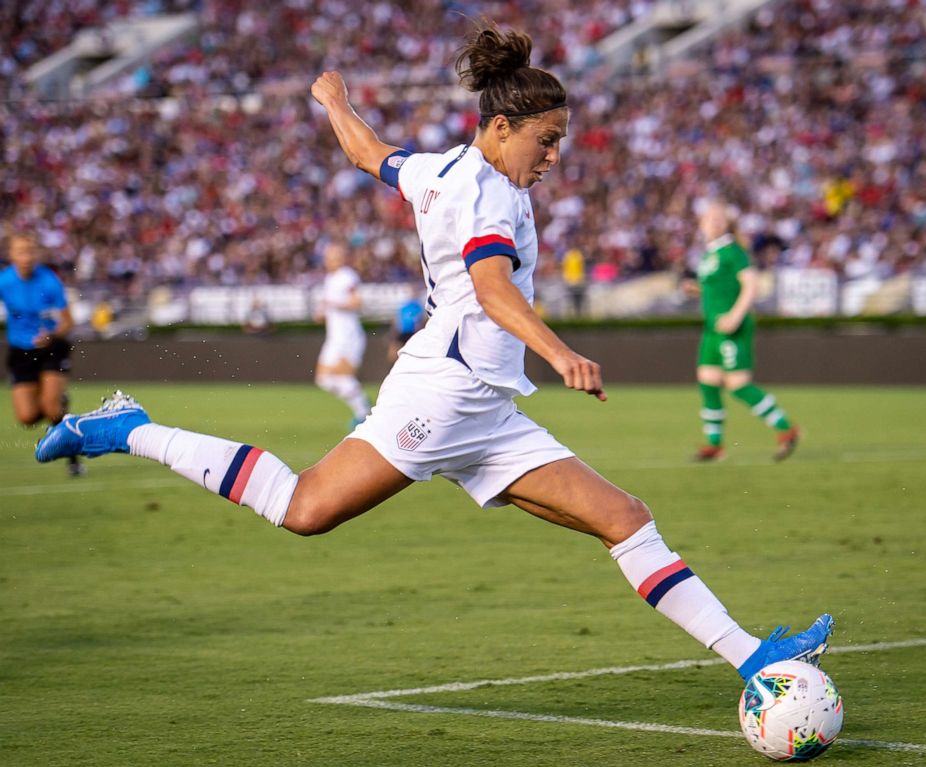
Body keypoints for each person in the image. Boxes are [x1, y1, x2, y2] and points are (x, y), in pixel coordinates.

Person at [35, 23, 831, 681]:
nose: (553, 157)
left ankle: (757, 657)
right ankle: (126, 428)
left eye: (561, 143)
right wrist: (561, 353)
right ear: (499, 127)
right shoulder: (489, 192)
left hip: (485, 405)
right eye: (545, 141)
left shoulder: (439, 170)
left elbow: (367, 153)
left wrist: (334, 101)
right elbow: (491, 289)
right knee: (304, 508)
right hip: (440, 397)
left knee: (625, 517)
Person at [684, 202, 800, 462]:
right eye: (709, 218)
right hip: (713, 328)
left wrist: (736, 316)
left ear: (727, 224)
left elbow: (750, 285)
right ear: (701, 224)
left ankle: (786, 428)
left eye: (718, 218)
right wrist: (697, 290)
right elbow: (721, 288)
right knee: (708, 381)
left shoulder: (733, 252)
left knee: (737, 384)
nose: (713, 222)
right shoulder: (709, 254)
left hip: (731, 326)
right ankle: (715, 444)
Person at [1, 232, 83, 476]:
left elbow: (68, 322)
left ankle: (73, 457)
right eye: (21, 251)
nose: (26, 257)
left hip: (50, 348)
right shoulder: (4, 281)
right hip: (20, 352)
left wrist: (52, 335)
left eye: (30, 251)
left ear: (36, 254)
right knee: (27, 417)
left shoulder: (49, 282)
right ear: (11, 255)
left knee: (50, 407)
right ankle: (61, 408)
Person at [314, 241, 371, 427]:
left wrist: (332, 304)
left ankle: (363, 414)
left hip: (348, 336)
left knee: (342, 377)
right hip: (335, 337)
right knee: (323, 379)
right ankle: (363, 409)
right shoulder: (330, 279)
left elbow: (356, 303)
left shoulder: (347, 276)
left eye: (333, 256)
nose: (329, 260)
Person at [387, 282, 426, 363]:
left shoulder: (418, 306)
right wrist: (393, 333)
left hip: (413, 333)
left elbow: (420, 321)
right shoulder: (404, 306)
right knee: (393, 352)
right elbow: (397, 320)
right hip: (403, 332)